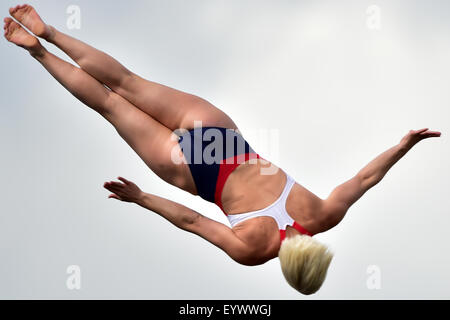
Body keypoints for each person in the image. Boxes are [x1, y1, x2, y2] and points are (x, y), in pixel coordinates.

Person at [4, 4, 441, 295]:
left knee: (127, 84)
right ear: (288, 268)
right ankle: (37, 51)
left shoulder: (322, 215)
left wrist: (402, 146)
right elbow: (193, 220)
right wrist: (141, 199)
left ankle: (51, 31)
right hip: (193, 172)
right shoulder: (253, 252)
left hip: (220, 137)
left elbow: (366, 178)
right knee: (108, 104)